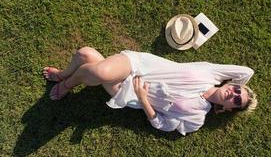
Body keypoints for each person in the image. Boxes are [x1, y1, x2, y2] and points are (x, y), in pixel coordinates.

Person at [43, 47, 257, 135]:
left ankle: (64, 75)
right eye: (238, 90)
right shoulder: (213, 73)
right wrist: (239, 86)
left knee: (86, 54)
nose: (235, 94)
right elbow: (247, 71)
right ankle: (65, 83)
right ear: (232, 84)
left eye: (237, 101)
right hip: (139, 65)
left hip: (130, 91)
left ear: (229, 108)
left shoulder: (197, 118)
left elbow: (163, 124)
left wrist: (144, 100)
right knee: (98, 71)